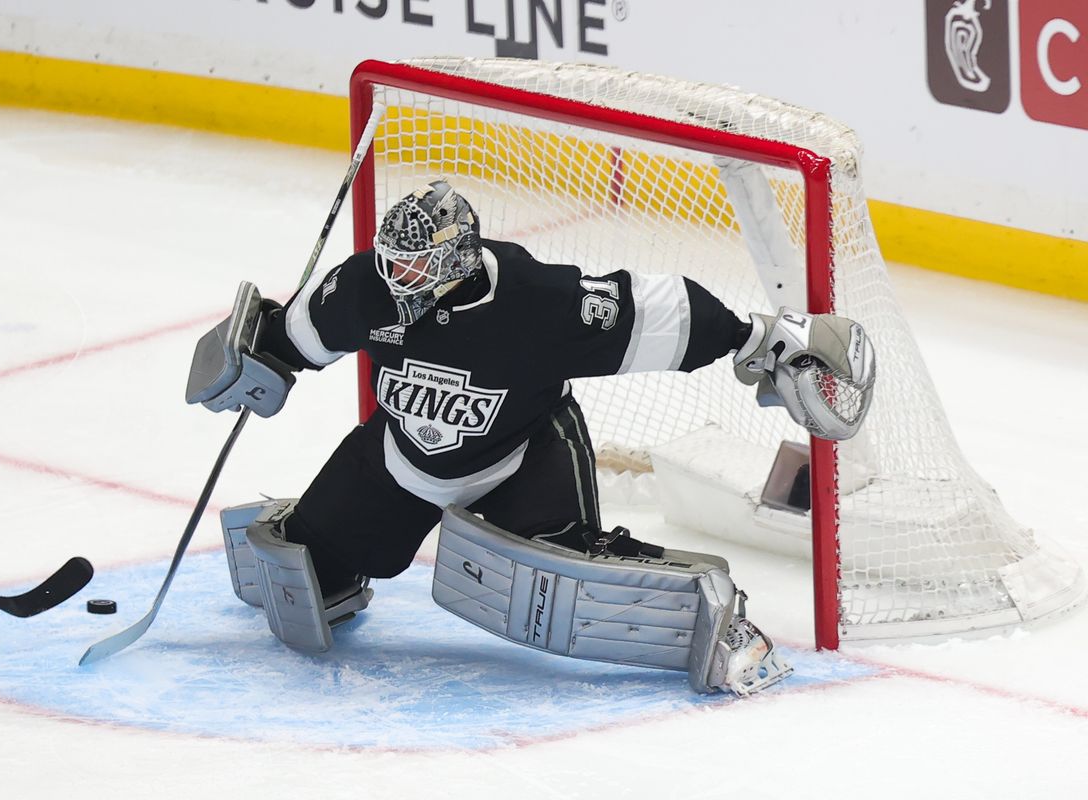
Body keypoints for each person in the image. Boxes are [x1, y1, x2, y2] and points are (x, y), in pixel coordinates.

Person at [189, 179, 875, 695]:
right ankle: (339, 552)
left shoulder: (537, 303)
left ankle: (713, 621)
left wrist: (759, 339)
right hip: (402, 459)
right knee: (313, 566)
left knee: (569, 570)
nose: (395, 279)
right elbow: (299, 331)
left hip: (522, 458)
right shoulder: (367, 286)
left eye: (412, 268)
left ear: (457, 260)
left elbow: (657, 310)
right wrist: (258, 355)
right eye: (390, 262)